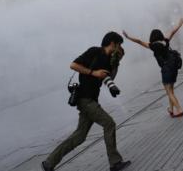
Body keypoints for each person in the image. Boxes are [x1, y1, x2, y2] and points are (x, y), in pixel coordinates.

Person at [41, 32, 131, 171]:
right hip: (85, 99)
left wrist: (118, 60)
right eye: (119, 45)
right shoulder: (94, 51)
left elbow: (110, 78)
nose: (119, 47)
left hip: (91, 99)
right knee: (109, 124)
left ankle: (49, 162)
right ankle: (115, 163)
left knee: (80, 136)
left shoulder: (109, 59)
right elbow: (73, 65)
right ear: (112, 43)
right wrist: (93, 73)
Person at [123, 18, 183, 118]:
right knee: (171, 91)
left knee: (169, 92)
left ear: (152, 37)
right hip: (174, 68)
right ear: (160, 35)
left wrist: (128, 37)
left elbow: (139, 41)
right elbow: (173, 31)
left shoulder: (152, 45)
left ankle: (179, 109)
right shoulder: (166, 41)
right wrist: (180, 24)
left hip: (166, 69)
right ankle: (171, 110)